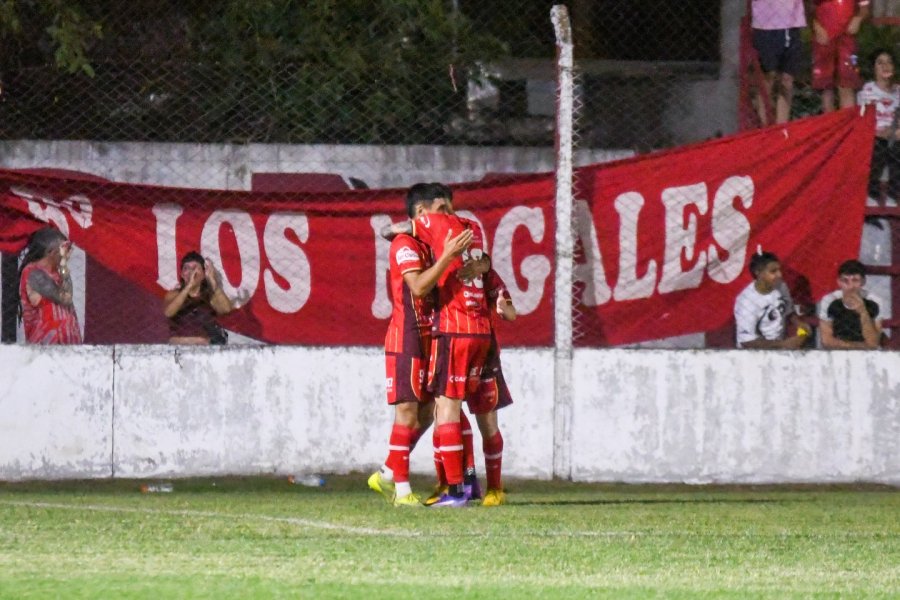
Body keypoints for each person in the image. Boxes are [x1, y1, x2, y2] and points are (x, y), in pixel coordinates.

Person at [367, 184, 474, 507]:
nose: (449, 216)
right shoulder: (405, 243)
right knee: (407, 410)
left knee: (428, 413)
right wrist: (447, 257)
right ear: (422, 213)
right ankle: (401, 491)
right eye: (443, 209)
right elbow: (417, 286)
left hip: (434, 336)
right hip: (407, 337)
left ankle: (387, 471)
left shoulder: (434, 243)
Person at [17, 227, 82, 344]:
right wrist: (63, 266)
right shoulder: (33, 272)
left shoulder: (59, 272)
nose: (68, 253)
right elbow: (66, 298)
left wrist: (63, 268)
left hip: (69, 348)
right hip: (46, 349)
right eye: (64, 248)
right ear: (51, 252)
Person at [734, 251, 809, 349]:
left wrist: (800, 324)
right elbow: (746, 341)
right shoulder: (746, 301)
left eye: (779, 270)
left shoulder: (781, 286)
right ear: (758, 273)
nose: (780, 275)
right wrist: (783, 344)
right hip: (753, 355)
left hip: (779, 349)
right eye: (773, 271)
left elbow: (788, 311)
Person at [751, 0, 808, 125]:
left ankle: (782, 126)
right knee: (768, 77)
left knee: (787, 79)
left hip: (792, 25)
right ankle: (764, 125)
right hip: (765, 24)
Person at [163, 251, 237, 345]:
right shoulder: (174, 294)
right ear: (182, 274)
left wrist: (213, 282)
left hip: (205, 347)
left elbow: (226, 309)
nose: (191, 272)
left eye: (195, 268)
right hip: (180, 346)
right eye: (187, 268)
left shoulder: (209, 296)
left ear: (203, 274)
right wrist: (188, 287)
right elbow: (168, 312)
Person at [857, 48, 900, 207]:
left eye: (889, 62)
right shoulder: (868, 91)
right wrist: (880, 133)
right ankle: (871, 193)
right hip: (874, 134)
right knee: (876, 147)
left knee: (897, 148)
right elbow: (863, 121)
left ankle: (893, 194)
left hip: (895, 135)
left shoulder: (898, 91)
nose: (885, 66)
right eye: (880, 63)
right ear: (874, 67)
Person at [812, 0, 870, 113]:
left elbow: (864, 8)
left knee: (847, 82)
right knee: (826, 86)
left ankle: (847, 124)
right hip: (825, 37)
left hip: (847, 37)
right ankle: (830, 125)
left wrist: (858, 19)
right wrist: (816, 26)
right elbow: (808, 7)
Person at [817, 259, 883, 348]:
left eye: (855, 280)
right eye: (845, 281)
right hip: (836, 353)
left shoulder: (874, 301)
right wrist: (855, 346)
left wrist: (863, 311)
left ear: (863, 282)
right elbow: (826, 340)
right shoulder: (830, 300)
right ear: (839, 282)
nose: (850, 286)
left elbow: (873, 343)